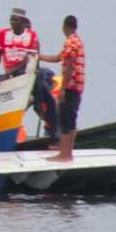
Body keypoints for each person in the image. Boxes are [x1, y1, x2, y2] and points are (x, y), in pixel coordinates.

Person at [39, 15, 85, 163]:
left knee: (65, 120)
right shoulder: (77, 41)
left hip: (70, 87)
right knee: (72, 120)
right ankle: (69, 153)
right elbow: (59, 58)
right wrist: (39, 57)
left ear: (65, 26)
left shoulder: (69, 43)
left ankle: (64, 154)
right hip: (78, 86)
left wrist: (63, 89)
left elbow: (69, 67)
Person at [0, 7, 39, 82]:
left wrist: (8, 73)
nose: (12, 22)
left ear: (22, 21)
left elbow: (28, 59)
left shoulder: (31, 35)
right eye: (11, 19)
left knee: (37, 74)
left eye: (15, 20)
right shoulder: (3, 33)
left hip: (24, 71)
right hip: (9, 72)